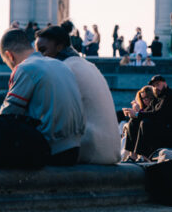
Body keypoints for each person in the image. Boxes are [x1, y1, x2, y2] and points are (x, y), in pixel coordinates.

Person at [35, 23, 121, 165]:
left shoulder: (64, 69)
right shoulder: (85, 65)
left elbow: (54, 116)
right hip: (110, 150)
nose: (40, 57)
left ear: (59, 47)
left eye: (43, 50)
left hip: (90, 149)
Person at [0, 28, 85, 166]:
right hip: (75, 148)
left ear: (10, 56)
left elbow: (5, 117)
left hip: (50, 150)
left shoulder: (25, 68)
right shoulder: (61, 66)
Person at [121, 74, 172, 160]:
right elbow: (147, 112)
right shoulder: (157, 98)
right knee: (133, 121)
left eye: (158, 84)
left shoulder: (171, 96)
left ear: (165, 83)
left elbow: (159, 115)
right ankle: (132, 156)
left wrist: (138, 114)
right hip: (164, 130)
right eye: (153, 86)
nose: (155, 87)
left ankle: (145, 156)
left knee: (145, 123)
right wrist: (134, 113)